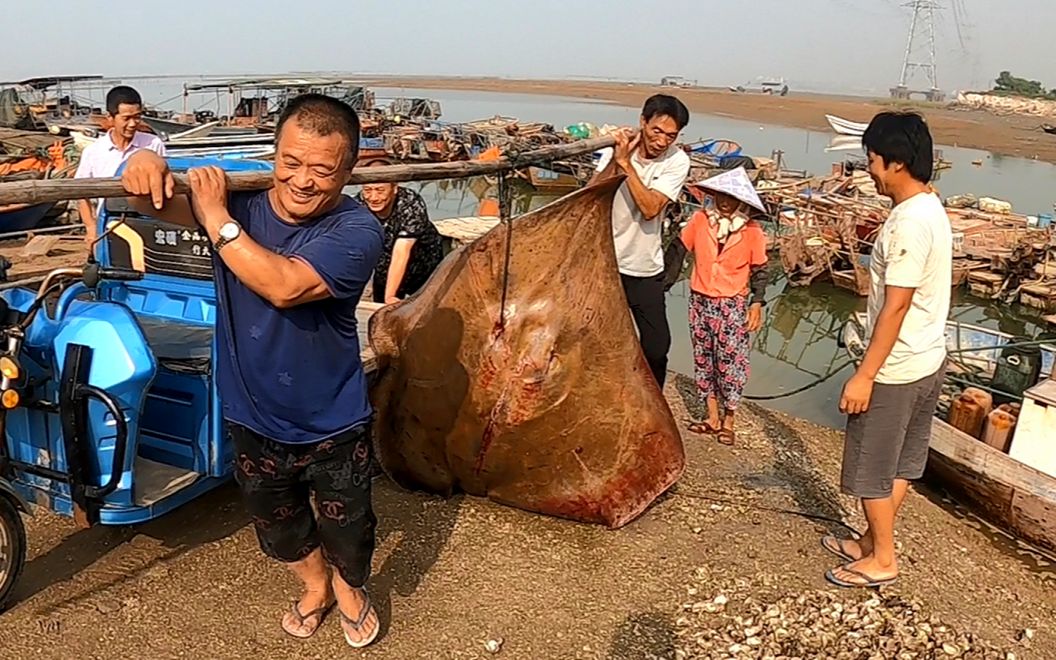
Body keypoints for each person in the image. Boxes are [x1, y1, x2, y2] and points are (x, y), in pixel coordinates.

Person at [120, 93, 385, 646]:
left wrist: (215, 217)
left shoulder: (358, 230)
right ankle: (314, 587)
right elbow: (153, 203)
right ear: (274, 153)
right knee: (277, 521)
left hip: (331, 416)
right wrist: (140, 165)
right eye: (291, 162)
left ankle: (350, 589)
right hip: (250, 408)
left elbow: (285, 286)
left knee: (349, 525)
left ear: (349, 169)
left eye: (322, 169)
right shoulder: (244, 199)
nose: (303, 181)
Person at [822, 111, 951, 589]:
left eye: (873, 160)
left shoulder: (907, 226)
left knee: (870, 468)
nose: (869, 170)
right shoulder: (931, 206)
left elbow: (895, 308)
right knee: (901, 464)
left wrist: (865, 375)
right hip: (928, 359)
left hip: (897, 368)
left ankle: (884, 560)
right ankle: (870, 543)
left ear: (896, 163)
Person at [590, 94, 691, 389]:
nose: (661, 142)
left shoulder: (677, 161)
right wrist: (617, 158)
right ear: (643, 122)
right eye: (656, 131)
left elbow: (650, 208)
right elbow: (591, 192)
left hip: (644, 267)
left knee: (657, 346)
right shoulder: (620, 150)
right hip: (606, 264)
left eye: (670, 136)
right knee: (598, 337)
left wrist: (626, 165)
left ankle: (652, 402)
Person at [669, 167, 768, 446]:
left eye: (731, 197)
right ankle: (711, 417)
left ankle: (729, 419)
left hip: (731, 304)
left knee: (731, 363)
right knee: (704, 357)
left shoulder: (751, 231)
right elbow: (678, 251)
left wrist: (757, 303)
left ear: (741, 201)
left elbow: (761, 269)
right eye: (720, 195)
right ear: (713, 195)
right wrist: (661, 284)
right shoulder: (700, 220)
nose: (724, 202)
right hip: (700, 300)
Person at [74, 85, 166, 247]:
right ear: (110, 118)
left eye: (137, 117)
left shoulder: (153, 144)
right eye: (126, 118)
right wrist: (90, 227)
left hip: (146, 223)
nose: (132, 124)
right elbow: (80, 193)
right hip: (107, 225)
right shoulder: (94, 151)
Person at [355, 159, 445, 304]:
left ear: (394, 188)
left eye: (380, 190)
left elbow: (401, 252)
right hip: (385, 268)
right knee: (382, 308)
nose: (373, 197)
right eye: (367, 190)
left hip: (422, 265)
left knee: (425, 308)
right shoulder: (359, 205)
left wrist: (390, 296)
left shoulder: (410, 202)